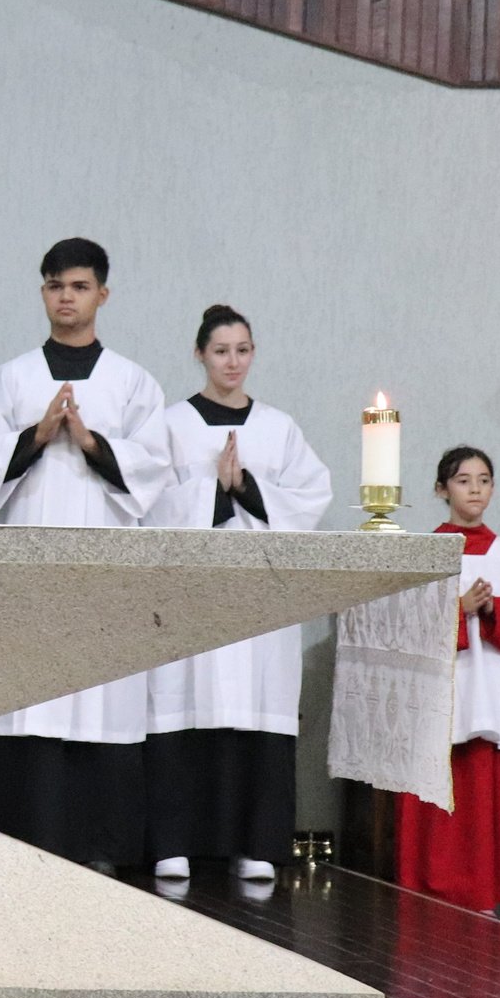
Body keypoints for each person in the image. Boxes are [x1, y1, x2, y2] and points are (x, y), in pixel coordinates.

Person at [0, 238, 171, 871]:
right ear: (43, 292)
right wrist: (38, 435)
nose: (66, 297)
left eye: (78, 286)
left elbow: (153, 466)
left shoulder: (132, 382)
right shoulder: (12, 378)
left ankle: (100, 848)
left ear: (102, 293)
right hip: (29, 564)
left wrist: (91, 441)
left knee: (98, 694)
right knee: (29, 698)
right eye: (55, 286)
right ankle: (20, 841)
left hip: (103, 568)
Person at [141, 305, 332, 888]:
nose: (233, 362)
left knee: (257, 711)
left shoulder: (278, 427)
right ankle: (172, 843)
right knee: (182, 705)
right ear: (200, 353)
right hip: (189, 595)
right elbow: (145, 502)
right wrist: (213, 496)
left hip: (259, 601)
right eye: (221, 350)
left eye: (243, 350)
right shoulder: (170, 424)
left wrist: (246, 488)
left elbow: (311, 498)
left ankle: (258, 845)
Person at [396, 446, 500, 914]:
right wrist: (455, 611)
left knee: (488, 793)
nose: (475, 489)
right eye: (463, 480)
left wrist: (493, 609)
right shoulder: (424, 554)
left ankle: (485, 892)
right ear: (442, 490)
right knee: (440, 789)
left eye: (484, 480)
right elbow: (403, 626)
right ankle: (431, 888)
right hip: (443, 685)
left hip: (493, 689)